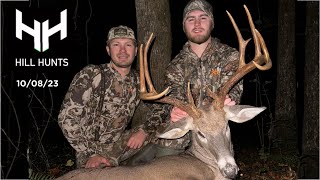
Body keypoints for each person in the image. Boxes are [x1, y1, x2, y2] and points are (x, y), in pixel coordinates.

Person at [145, 0, 243, 158]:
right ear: (184, 27)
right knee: (167, 154)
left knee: (224, 163)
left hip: (214, 126)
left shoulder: (230, 56)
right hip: (188, 124)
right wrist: (174, 110)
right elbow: (173, 96)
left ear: (212, 23)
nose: (197, 23)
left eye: (203, 18)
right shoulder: (175, 66)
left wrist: (228, 100)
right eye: (191, 19)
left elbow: (234, 90)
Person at [58, 25, 149, 168]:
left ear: (136, 50)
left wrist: (144, 131)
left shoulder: (139, 81)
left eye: (128, 45)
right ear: (108, 50)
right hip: (90, 150)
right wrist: (91, 153)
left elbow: (160, 109)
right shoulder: (92, 74)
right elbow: (66, 119)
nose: (123, 50)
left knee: (169, 132)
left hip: (119, 144)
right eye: (116, 45)